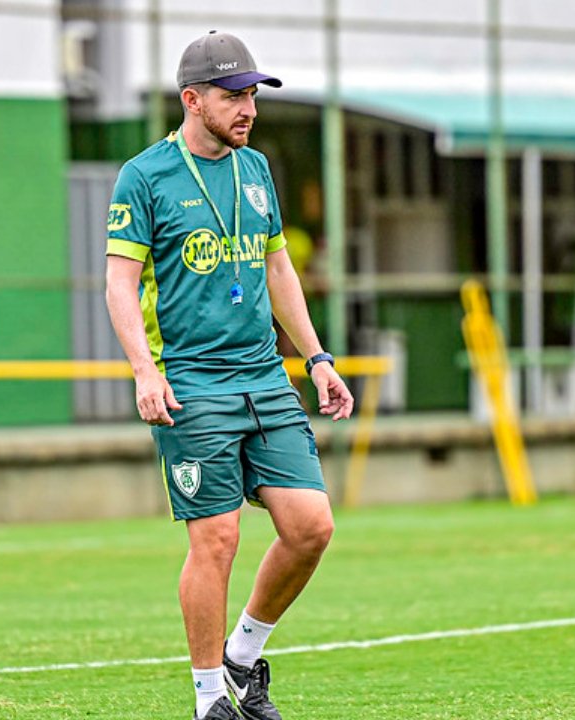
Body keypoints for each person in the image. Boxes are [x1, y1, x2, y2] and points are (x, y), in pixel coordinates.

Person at [104, 31, 354, 720]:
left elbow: (277, 268)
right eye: (233, 96)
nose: (248, 109)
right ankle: (209, 698)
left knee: (311, 526)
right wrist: (144, 372)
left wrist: (317, 358)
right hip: (192, 382)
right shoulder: (145, 176)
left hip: (264, 376)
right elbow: (119, 284)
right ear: (192, 100)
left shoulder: (256, 169)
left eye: (252, 95)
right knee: (217, 539)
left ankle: (242, 657)